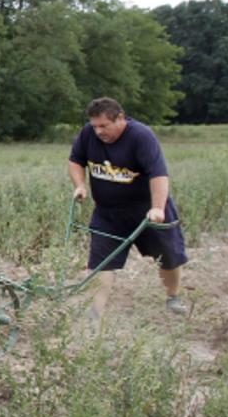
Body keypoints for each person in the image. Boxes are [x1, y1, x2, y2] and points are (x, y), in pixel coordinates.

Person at [67, 97, 189, 321]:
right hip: (108, 213)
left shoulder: (141, 136)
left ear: (120, 118)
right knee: (100, 263)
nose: (98, 131)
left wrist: (158, 208)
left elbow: (158, 174)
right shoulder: (88, 134)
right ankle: (94, 315)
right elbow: (75, 160)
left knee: (170, 257)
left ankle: (173, 296)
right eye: (95, 126)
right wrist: (81, 185)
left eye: (104, 126)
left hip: (147, 211)